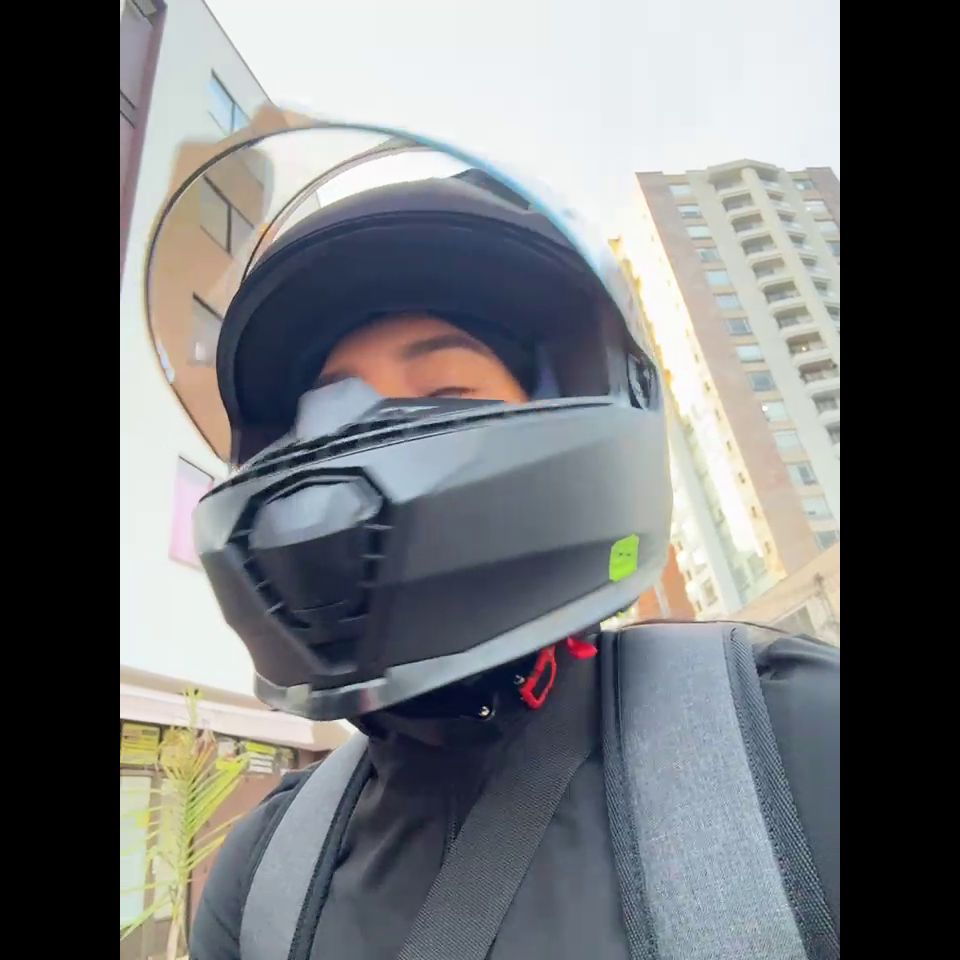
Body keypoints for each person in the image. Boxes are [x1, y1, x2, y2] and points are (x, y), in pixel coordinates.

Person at [151, 122, 839, 960]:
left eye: (445, 391)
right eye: (320, 415)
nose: (356, 438)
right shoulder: (262, 874)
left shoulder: (791, 741)